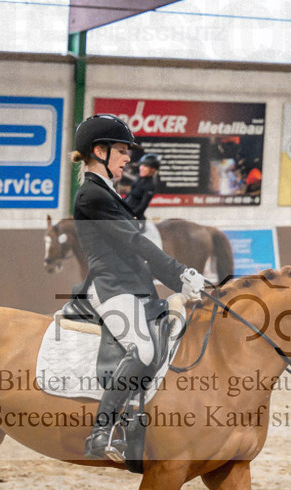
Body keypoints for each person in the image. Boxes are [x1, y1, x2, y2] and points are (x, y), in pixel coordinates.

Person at [70, 114, 205, 462]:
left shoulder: (108, 192)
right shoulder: (91, 196)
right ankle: (101, 430)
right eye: (121, 150)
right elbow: (134, 242)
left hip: (136, 287)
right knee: (143, 350)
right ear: (98, 151)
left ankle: (137, 419)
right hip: (111, 287)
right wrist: (180, 273)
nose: (128, 158)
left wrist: (180, 281)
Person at [124, 154, 160, 223]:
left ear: (153, 169)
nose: (141, 168)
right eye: (141, 165)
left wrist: (130, 215)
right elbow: (129, 196)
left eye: (145, 166)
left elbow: (143, 206)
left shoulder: (150, 185)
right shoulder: (138, 179)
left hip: (135, 217)